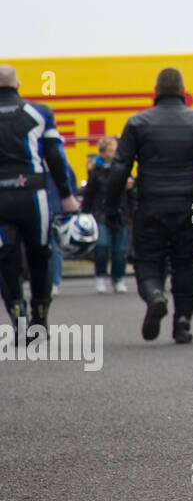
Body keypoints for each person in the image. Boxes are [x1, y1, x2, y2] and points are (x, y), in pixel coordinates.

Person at [104, 68, 193, 344]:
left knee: (148, 260)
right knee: (185, 262)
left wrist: (111, 206)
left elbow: (119, 169)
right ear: (184, 92)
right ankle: (182, 324)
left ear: (155, 92)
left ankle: (154, 296)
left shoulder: (137, 123)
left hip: (151, 203)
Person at [0, 65, 79, 335]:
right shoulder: (41, 112)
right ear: (18, 84)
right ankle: (40, 316)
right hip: (34, 196)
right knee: (40, 256)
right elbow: (55, 156)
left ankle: (17, 314)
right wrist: (67, 195)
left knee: (6, 256)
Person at [81, 135, 133, 293]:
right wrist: (85, 213)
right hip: (100, 213)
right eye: (110, 150)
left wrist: (131, 191)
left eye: (115, 150)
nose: (114, 153)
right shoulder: (96, 171)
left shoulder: (124, 168)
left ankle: (118, 278)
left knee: (120, 249)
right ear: (103, 152)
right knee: (102, 246)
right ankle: (101, 276)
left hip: (120, 212)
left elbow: (132, 194)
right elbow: (89, 193)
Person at [43, 133, 77, 296]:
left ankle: (54, 282)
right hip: (41, 210)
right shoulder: (37, 167)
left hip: (56, 211)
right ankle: (47, 281)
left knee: (54, 247)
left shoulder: (64, 167)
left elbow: (71, 186)